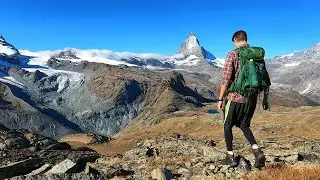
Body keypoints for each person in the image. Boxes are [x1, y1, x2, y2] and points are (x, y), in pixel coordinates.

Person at [217, 30, 269, 168]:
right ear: (246, 39)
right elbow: (265, 79)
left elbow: (226, 79)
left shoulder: (232, 54)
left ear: (235, 40)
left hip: (235, 98)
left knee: (227, 126)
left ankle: (230, 157)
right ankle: (257, 152)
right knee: (244, 125)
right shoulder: (257, 56)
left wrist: (220, 99)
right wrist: (265, 99)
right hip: (251, 99)